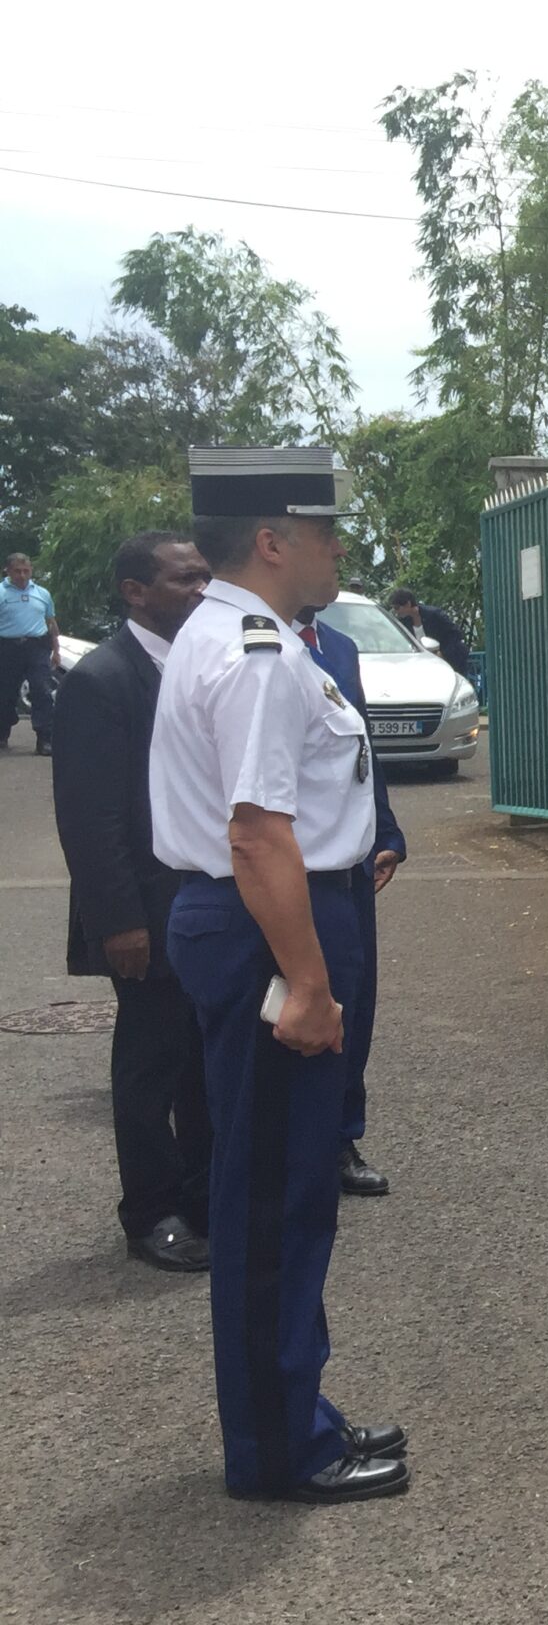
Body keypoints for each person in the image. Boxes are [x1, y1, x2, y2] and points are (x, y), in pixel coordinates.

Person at [152, 446, 406, 1504]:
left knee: (288, 1183)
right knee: (274, 1198)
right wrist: (305, 983)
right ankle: (276, 1447)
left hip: (269, 922)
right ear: (272, 541)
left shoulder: (245, 635)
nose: (338, 548)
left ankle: (297, 1405)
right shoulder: (256, 651)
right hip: (271, 928)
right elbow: (258, 836)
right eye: (326, 531)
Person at [50, 531, 213, 1271]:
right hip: (143, 912)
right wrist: (118, 921)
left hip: (205, 902)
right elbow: (91, 817)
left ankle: (206, 1194)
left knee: (204, 1061)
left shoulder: (202, 666)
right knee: (151, 1066)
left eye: (205, 576)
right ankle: (152, 1212)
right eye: (184, 579)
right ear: (135, 592)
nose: (200, 590)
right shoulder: (102, 680)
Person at [299, 604, 405, 1197]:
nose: (336, 555)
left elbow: (360, 751)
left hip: (352, 856)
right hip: (293, 856)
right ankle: (294, 1143)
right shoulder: (257, 648)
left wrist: (386, 833)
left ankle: (341, 1135)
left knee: (355, 998)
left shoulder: (337, 645)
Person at [1, 549, 61, 755]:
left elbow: (51, 623)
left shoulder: (42, 594)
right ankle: (2, 733)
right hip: (7, 647)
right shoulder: (1, 593)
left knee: (42, 691)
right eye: (17, 571)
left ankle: (45, 739)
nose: (22, 575)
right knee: (5, 693)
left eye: (26, 570)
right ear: (7, 571)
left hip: (36, 647)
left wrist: (56, 650)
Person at [386, 587, 470, 677]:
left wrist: (442, 653)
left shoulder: (434, 614)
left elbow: (455, 634)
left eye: (397, 608)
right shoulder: (404, 622)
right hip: (426, 664)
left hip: (451, 660)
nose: (396, 611)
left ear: (408, 604)